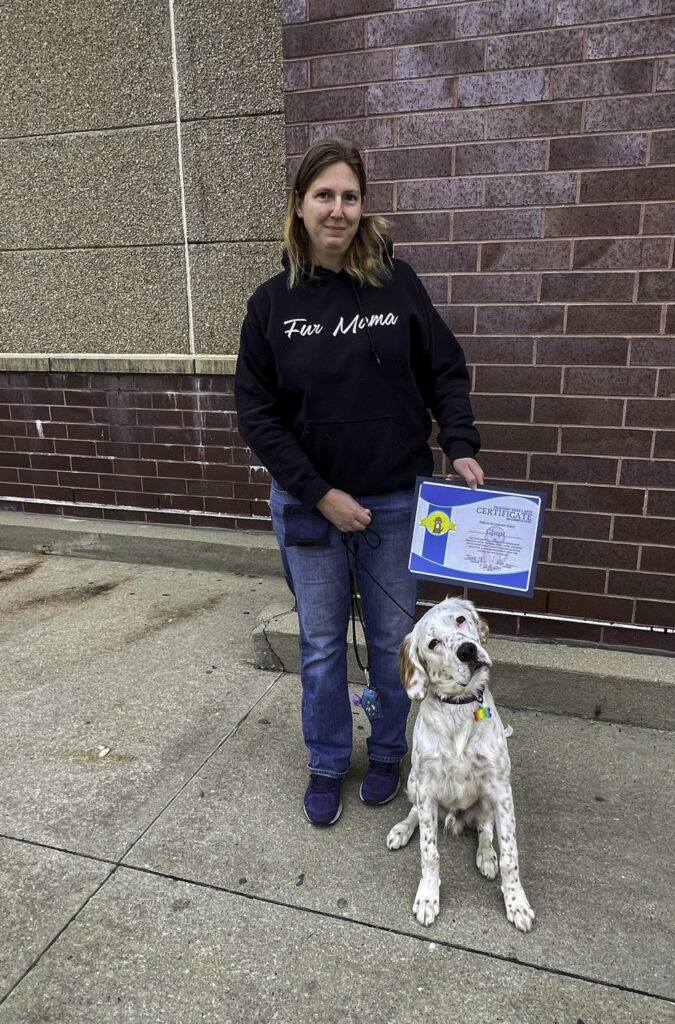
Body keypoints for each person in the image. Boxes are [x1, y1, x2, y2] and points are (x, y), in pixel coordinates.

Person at [235, 139, 484, 826]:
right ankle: (325, 761)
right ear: (300, 206)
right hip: (311, 507)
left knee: (390, 644)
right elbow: (258, 417)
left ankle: (386, 754)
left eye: (349, 196)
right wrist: (320, 493)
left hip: (396, 500)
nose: (337, 209)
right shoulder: (271, 306)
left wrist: (459, 443)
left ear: (362, 204)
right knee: (319, 646)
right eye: (324, 195)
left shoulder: (397, 285)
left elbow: (445, 371)